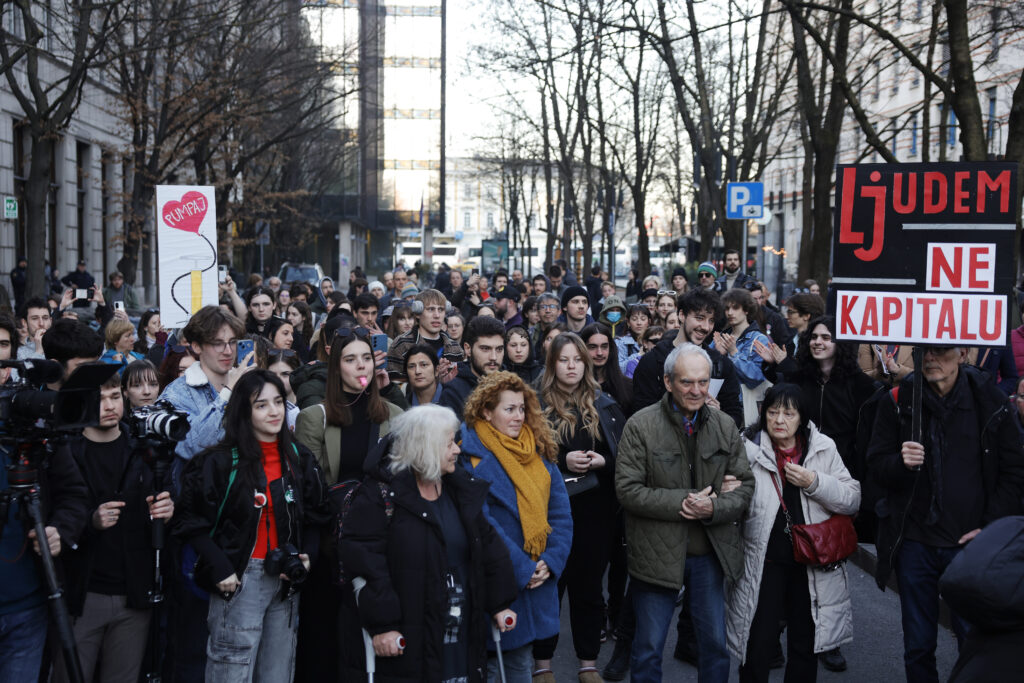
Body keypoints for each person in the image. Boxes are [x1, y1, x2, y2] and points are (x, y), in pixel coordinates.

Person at [868, 346, 1024, 683]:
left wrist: (989, 529)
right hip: (914, 543)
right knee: (918, 645)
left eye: (941, 351)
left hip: (972, 547)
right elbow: (875, 465)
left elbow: (1015, 473)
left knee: (975, 643)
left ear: (964, 354)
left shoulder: (990, 401)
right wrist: (899, 462)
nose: (931, 359)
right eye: (925, 351)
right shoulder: (897, 399)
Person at [338, 405, 519, 682]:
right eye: (449, 444)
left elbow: (488, 548)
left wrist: (500, 602)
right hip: (410, 634)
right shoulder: (379, 496)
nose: (457, 450)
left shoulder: (458, 488)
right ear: (425, 447)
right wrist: (383, 625)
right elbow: (365, 563)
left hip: (459, 630)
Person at [174, 370, 329, 683]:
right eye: (261, 405)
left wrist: (307, 554)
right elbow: (190, 521)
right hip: (240, 580)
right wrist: (220, 566)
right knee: (231, 672)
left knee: (277, 673)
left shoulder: (299, 457)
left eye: (278, 402)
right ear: (244, 411)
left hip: (286, 582)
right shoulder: (218, 461)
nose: (273, 411)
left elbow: (317, 514)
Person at [615, 343, 754, 683]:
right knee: (648, 648)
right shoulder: (640, 426)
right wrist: (687, 501)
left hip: (709, 553)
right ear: (667, 382)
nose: (696, 391)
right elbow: (628, 491)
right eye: (687, 382)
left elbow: (746, 487)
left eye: (703, 382)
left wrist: (714, 506)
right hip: (656, 553)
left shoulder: (724, 425)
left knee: (714, 647)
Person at [727, 383, 861, 683]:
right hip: (763, 562)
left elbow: (852, 497)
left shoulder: (822, 448)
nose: (779, 420)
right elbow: (729, 503)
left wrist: (815, 482)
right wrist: (728, 491)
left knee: (805, 643)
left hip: (811, 562)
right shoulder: (746, 448)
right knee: (757, 642)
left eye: (788, 413)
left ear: (802, 417)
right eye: (773, 412)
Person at [293, 324, 403, 682]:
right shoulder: (315, 417)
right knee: (328, 640)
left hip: (382, 547)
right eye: (350, 359)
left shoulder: (393, 416)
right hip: (331, 546)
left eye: (367, 358)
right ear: (335, 365)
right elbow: (313, 488)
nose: (361, 366)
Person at [54, 374, 175, 683]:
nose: (109, 406)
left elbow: (170, 503)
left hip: (134, 593)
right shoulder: (65, 451)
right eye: (100, 399)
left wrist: (169, 509)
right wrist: (90, 523)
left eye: (114, 397)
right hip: (84, 593)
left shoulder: (144, 448)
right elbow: (58, 518)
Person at [458, 372, 573, 683]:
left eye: (522, 409)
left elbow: (560, 513)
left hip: (538, 575)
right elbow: (483, 524)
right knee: (496, 667)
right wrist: (524, 569)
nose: (518, 417)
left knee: (522, 663)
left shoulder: (536, 449)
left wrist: (549, 562)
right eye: (509, 409)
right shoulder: (470, 456)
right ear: (485, 411)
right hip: (502, 581)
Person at [534, 333, 625, 682]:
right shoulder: (535, 403)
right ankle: (543, 665)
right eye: (563, 360)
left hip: (595, 510)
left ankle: (588, 663)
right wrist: (560, 462)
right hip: (550, 510)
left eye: (577, 360)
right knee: (548, 587)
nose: (571, 367)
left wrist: (602, 459)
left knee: (589, 589)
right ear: (552, 364)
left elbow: (624, 456)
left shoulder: (604, 402)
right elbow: (522, 458)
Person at [631, 289, 744, 426]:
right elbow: (639, 416)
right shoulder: (652, 361)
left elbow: (735, 416)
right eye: (699, 318)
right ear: (682, 315)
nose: (705, 327)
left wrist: (718, 416)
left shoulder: (721, 364)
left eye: (711, 320)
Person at [712, 288, 772, 425]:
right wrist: (718, 355)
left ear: (746, 310)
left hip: (745, 408)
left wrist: (733, 353)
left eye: (735, 308)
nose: (730, 312)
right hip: (719, 405)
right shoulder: (720, 338)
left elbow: (756, 377)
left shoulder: (759, 339)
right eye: (727, 308)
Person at [386, 289, 464, 383]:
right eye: (431, 309)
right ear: (417, 313)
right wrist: (433, 378)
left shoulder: (455, 348)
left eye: (441, 309)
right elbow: (396, 388)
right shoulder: (402, 344)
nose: (437, 315)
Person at [440, 316, 507, 419]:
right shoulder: (453, 392)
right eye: (485, 349)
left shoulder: (512, 385)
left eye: (499, 349)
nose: (493, 357)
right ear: (467, 349)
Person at [581, 323, 632, 416]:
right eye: (593, 347)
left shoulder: (628, 387)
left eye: (604, 346)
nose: (599, 353)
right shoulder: (576, 387)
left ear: (610, 349)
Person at [266, 348, 302, 429]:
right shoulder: (260, 410)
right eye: (272, 374)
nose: (278, 380)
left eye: (285, 374)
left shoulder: (306, 406)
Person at [616, 304, 651, 371]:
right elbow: (619, 369)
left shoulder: (655, 340)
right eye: (634, 319)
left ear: (649, 322)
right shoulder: (620, 343)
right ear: (628, 322)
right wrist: (638, 355)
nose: (639, 323)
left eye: (643, 319)